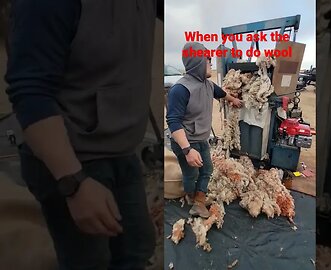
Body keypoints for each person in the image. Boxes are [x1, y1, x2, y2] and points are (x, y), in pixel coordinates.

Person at [4, 0, 162, 269]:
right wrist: (74, 184)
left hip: (120, 150)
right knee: (90, 260)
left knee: (137, 246)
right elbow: (30, 93)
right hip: (74, 157)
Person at [166, 42, 242, 218]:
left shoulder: (208, 84)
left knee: (206, 170)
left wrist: (234, 100)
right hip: (186, 142)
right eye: (208, 59)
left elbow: (221, 93)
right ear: (198, 61)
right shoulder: (180, 89)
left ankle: (199, 201)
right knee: (191, 174)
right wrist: (187, 150)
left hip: (201, 139)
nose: (212, 63)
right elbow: (173, 121)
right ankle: (192, 198)